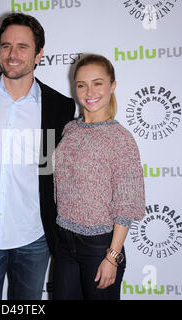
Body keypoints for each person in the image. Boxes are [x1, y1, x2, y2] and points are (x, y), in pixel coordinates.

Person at [0, 13, 76, 300]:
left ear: (39, 54)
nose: (12, 54)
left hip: (34, 237)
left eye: (23, 47)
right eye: (6, 46)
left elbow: (62, 170)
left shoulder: (60, 106)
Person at [52, 54, 145, 300]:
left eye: (98, 83)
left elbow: (127, 204)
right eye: (82, 84)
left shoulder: (121, 139)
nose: (89, 91)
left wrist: (112, 257)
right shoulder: (69, 129)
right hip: (63, 243)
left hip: (99, 247)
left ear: (112, 85)